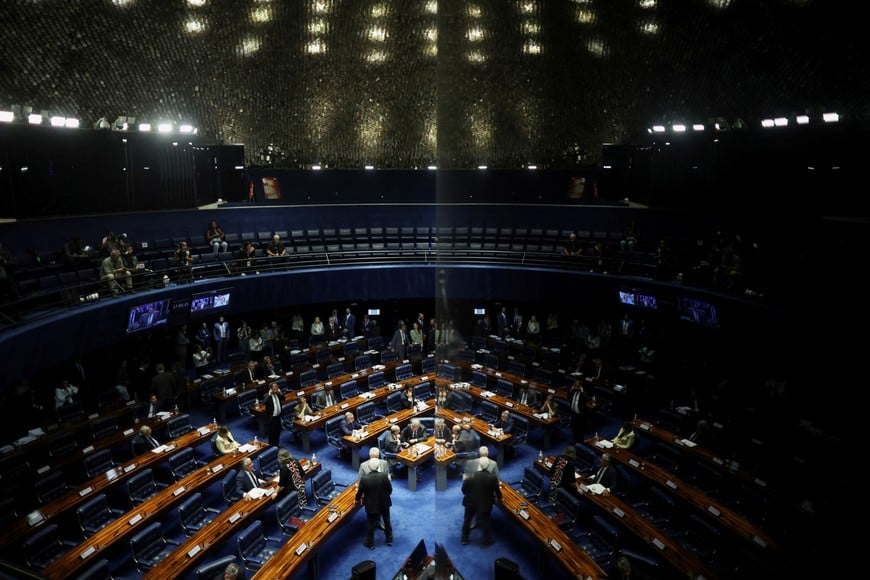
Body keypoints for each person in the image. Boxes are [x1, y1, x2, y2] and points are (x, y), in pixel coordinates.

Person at [460, 458, 502, 546]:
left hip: (470, 503)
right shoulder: (492, 477)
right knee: (486, 521)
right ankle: (486, 541)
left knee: (467, 520)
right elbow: (497, 491)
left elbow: (463, 490)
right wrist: (500, 498)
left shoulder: (470, 475)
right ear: (487, 466)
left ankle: (464, 539)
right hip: (484, 504)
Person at [356, 464, 393, 549]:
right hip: (384, 503)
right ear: (377, 467)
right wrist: (385, 496)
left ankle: (370, 544)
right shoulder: (384, 476)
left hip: (371, 504)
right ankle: (389, 540)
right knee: (387, 521)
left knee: (370, 523)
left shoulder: (364, 478)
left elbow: (360, 492)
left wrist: (357, 499)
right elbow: (390, 489)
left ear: (369, 468)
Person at [568, 378, 589, 444]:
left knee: (580, 429)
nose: (576, 387)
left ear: (580, 386)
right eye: (575, 385)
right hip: (574, 413)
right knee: (574, 428)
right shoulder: (573, 391)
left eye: (577, 386)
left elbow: (586, 400)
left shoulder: (584, 393)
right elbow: (568, 396)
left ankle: (580, 443)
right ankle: (575, 441)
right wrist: (571, 389)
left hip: (580, 415)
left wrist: (582, 391)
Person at [263, 382, 283, 447]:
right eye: (274, 389)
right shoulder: (267, 396)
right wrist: (269, 394)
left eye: (276, 388)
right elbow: (264, 402)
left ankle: (276, 444)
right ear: (270, 389)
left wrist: (280, 392)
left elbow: (283, 398)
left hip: (278, 416)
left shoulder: (277, 394)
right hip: (272, 418)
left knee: (278, 431)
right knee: (272, 433)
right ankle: (271, 446)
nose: (276, 390)